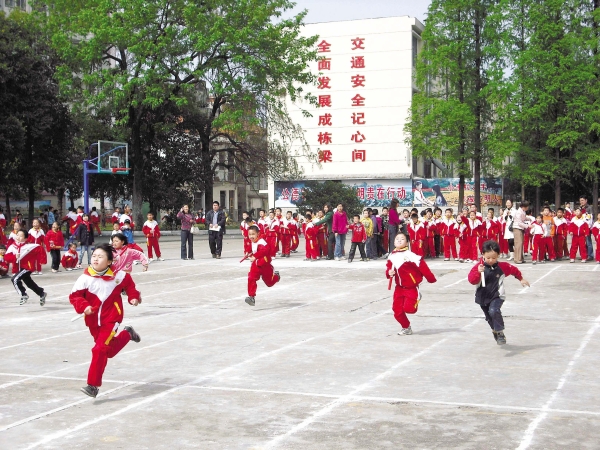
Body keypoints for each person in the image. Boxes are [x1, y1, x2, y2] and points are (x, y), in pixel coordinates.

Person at [69, 243, 141, 398]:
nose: (95, 259)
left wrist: (133, 298)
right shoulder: (84, 278)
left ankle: (92, 385)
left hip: (112, 318)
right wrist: (84, 306)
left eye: (100, 256)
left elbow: (130, 287)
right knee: (107, 351)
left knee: (99, 349)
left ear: (109, 261)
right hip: (93, 321)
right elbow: (74, 297)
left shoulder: (119, 276)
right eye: (94, 256)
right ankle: (128, 334)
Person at [467, 240, 530, 345]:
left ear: (498, 256)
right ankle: (495, 331)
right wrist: (478, 272)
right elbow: (472, 281)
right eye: (488, 258)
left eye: (494, 258)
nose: (491, 260)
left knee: (494, 310)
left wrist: (521, 278)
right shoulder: (478, 267)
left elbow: (513, 269)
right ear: (483, 255)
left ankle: (500, 332)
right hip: (482, 297)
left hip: (497, 295)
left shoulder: (502, 267)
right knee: (489, 317)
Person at [386, 233, 437, 336]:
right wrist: (388, 273)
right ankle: (406, 327)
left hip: (411, 287)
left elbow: (423, 267)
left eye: (402, 239)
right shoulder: (391, 256)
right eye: (397, 239)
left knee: (410, 309)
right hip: (399, 288)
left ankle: (418, 296)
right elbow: (388, 268)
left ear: (407, 242)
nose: (399, 241)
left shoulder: (411, 256)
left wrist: (431, 279)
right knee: (397, 311)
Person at [4, 229, 47, 306]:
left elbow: (40, 248)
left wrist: (42, 260)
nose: (18, 237)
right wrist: (15, 257)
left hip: (27, 267)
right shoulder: (12, 247)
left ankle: (23, 295)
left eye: (21, 236)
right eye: (17, 235)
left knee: (15, 279)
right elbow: (6, 258)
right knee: (29, 283)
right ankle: (41, 293)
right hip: (19, 268)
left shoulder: (29, 247)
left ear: (26, 238)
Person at [244, 225, 280, 307]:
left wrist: (255, 256)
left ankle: (276, 276)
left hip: (265, 264)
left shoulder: (262, 242)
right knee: (251, 278)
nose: (251, 236)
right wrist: (247, 252)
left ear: (258, 234)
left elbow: (265, 251)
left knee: (269, 283)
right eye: (250, 234)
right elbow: (251, 248)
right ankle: (251, 297)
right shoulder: (253, 242)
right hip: (256, 265)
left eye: (253, 234)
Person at [579, 196, 595, 261]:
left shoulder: (589, 207)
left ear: (586, 200)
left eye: (582, 200)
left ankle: (590, 255)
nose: (581, 202)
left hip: (587, 226)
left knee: (588, 242)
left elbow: (591, 217)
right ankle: (584, 255)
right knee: (582, 242)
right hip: (580, 226)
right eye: (580, 200)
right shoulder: (579, 208)